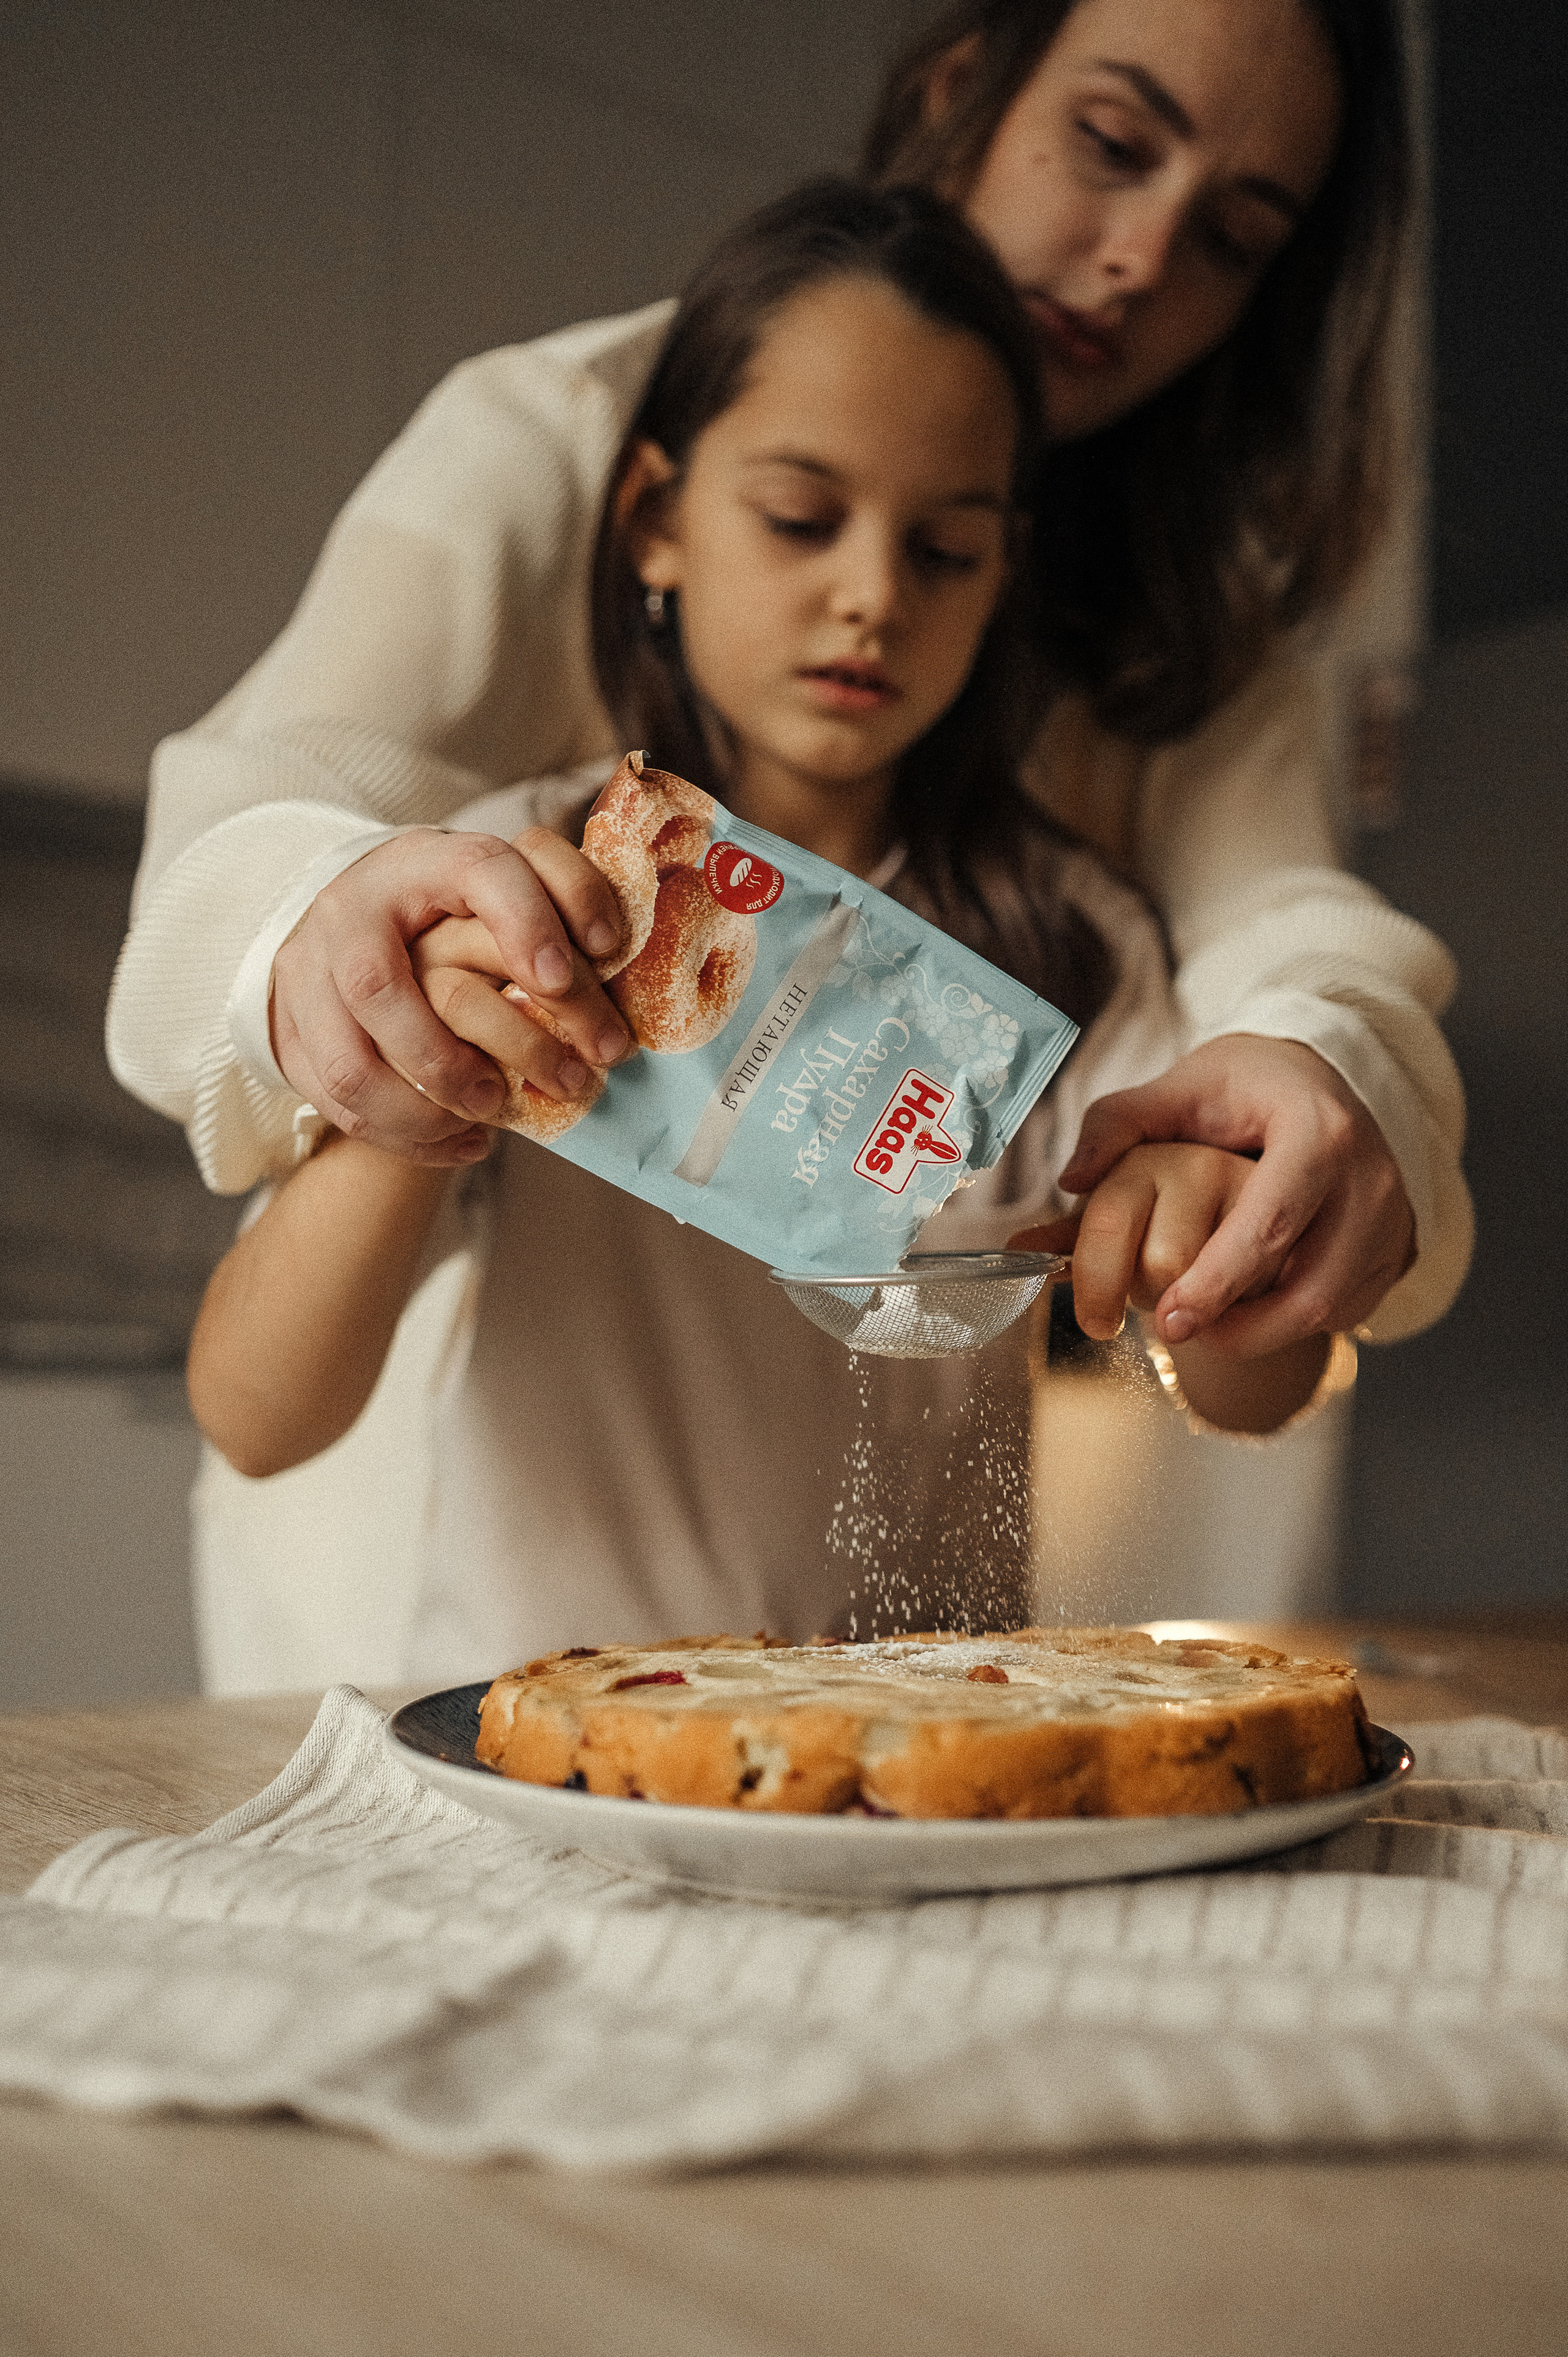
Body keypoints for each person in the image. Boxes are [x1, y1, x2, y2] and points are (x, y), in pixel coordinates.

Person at [107, 0, 1471, 1380]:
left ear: (1003, 569)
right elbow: (252, 837)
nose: (1137, 259)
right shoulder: (556, 459)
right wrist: (348, 958)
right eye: (1110, 142)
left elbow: (1281, 954)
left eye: (1232, 238)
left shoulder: (1072, 889)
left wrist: (1313, 1085)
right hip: (438, 1564)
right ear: (961, 88)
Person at [186, 183, 1346, 1682]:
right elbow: (258, 1413)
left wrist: (1218, 1232)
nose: (867, 596)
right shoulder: (521, 893)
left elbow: (1257, 1391)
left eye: (942, 550)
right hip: (552, 1753)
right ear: (656, 522)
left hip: (924, 1758)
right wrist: (425, 1095)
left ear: (1004, 577)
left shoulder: (1059, 945)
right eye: (801, 519)